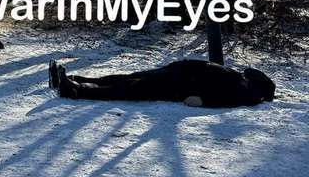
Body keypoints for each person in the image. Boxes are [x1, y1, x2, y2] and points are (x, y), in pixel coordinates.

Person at [48, 59, 276, 108]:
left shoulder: (242, 94)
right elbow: (248, 70)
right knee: (127, 78)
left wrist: (201, 100)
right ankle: (78, 80)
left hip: (179, 85)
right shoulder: (242, 81)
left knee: (130, 89)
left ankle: (75, 90)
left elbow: (218, 100)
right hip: (180, 71)